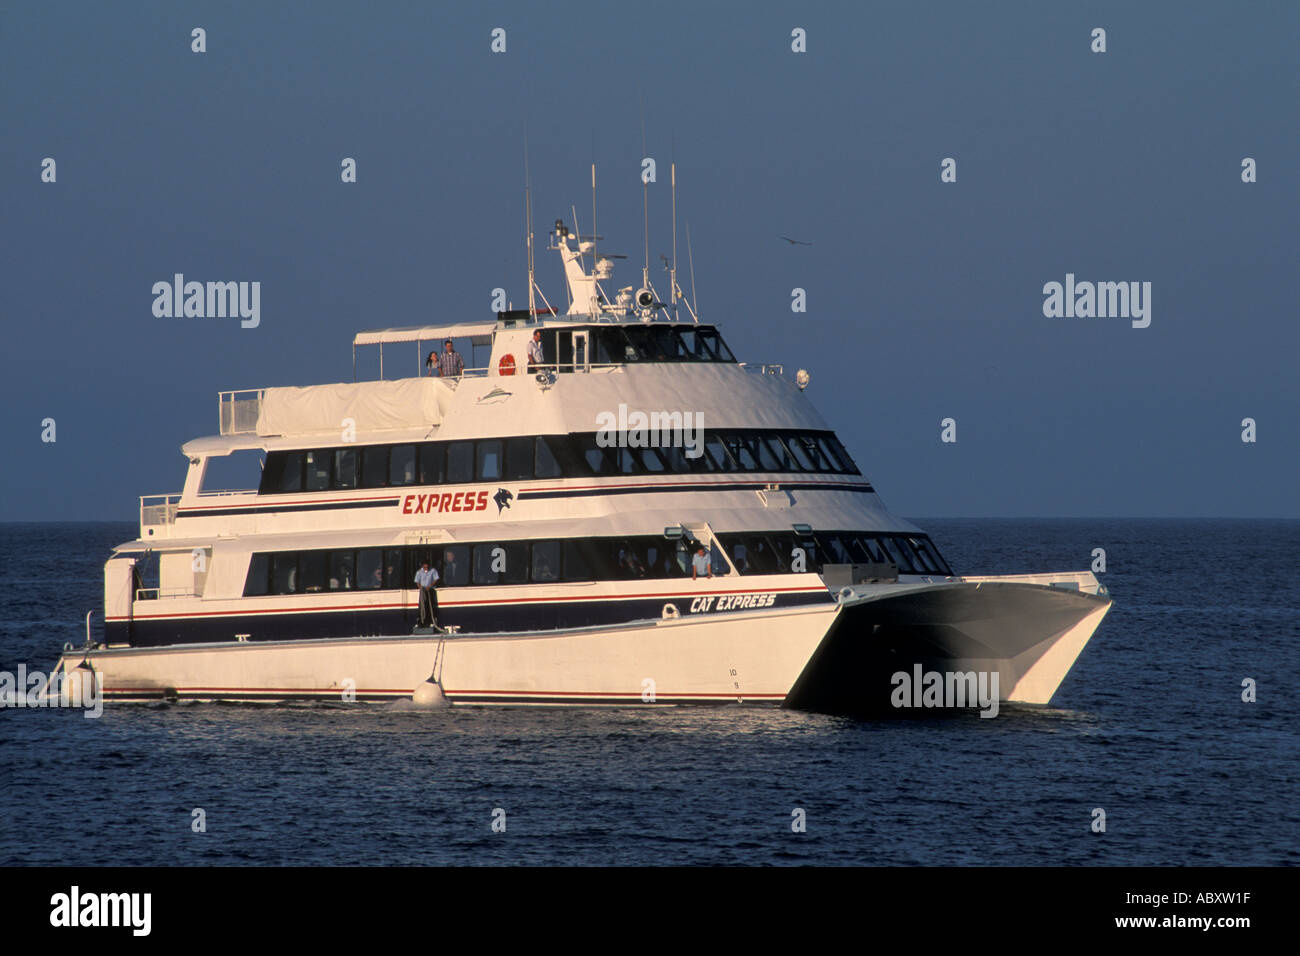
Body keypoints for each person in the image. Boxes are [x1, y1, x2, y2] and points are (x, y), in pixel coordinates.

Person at [414, 559, 440, 629]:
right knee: (422, 606)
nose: (426, 568)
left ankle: (431, 621)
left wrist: (430, 586)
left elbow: (436, 579)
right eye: (425, 567)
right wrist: (420, 587)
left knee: (430, 606)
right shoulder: (419, 572)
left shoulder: (433, 571)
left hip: (430, 590)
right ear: (422, 566)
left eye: (427, 567)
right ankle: (422, 621)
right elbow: (417, 581)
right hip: (423, 591)